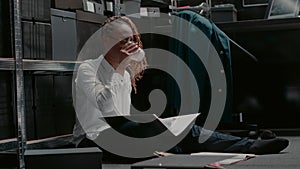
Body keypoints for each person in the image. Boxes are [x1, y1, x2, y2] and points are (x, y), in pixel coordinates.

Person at [72, 16, 289, 157]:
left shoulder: (125, 72)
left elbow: (123, 117)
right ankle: (246, 143)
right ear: (106, 41)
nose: (129, 45)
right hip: (95, 139)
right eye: (123, 41)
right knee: (170, 138)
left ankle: (249, 144)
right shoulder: (88, 70)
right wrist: (120, 70)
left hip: (123, 133)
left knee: (181, 128)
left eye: (132, 40)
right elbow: (106, 109)